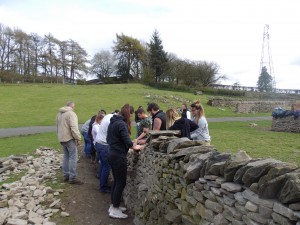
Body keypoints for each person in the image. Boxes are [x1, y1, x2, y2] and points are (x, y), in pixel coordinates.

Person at [107, 104, 142, 219]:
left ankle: (113, 205)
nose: (132, 117)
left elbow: (109, 139)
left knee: (116, 181)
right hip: (118, 156)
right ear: (129, 113)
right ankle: (115, 209)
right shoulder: (121, 124)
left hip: (112, 153)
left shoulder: (113, 122)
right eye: (131, 114)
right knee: (121, 182)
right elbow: (129, 143)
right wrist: (138, 147)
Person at [56, 101, 83, 185]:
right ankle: (72, 177)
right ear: (72, 107)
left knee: (66, 157)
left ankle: (66, 175)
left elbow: (57, 126)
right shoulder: (71, 114)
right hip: (69, 138)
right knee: (73, 157)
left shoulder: (59, 114)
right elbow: (74, 128)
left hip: (61, 138)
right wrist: (78, 138)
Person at [94, 111, 114, 193]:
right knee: (106, 167)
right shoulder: (111, 121)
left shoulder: (107, 116)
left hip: (98, 143)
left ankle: (102, 184)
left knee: (102, 165)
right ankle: (103, 187)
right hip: (104, 145)